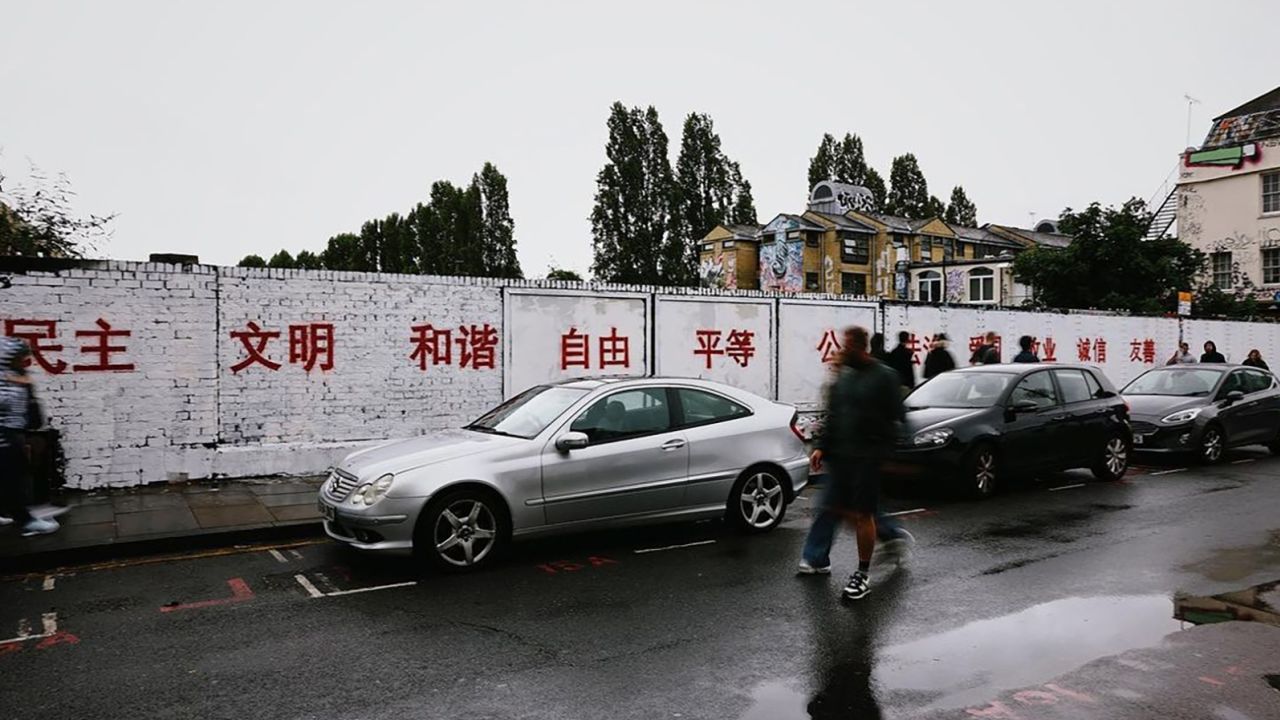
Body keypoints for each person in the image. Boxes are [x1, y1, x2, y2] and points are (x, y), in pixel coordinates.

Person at [798, 326, 906, 601]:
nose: (843, 349)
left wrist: (888, 456)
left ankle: (862, 573)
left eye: (848, 345)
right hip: (840, 458)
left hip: (867, 457)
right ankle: (819, 557)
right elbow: (833, 416)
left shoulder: (884, 376)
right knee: (833, 507)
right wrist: (821, 447)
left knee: (863, 515)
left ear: (861, 346)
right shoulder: (843, 377)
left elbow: (898, 418)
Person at [0, 338, 59, 536]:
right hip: (4, 434)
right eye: (19, 357)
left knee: (10, 474)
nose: (23, 361)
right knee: (12, 476)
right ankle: (24, 520)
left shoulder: (15, 376)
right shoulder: (5, 379)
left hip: (14, 432)